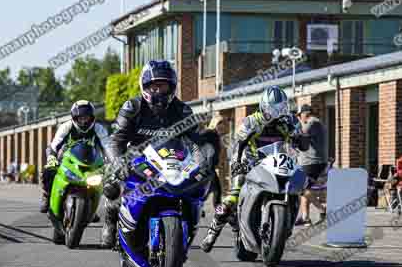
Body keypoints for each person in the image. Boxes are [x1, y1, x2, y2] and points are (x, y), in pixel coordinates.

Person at [101, 60, 219, 248]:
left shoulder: (182, 110)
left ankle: (186, 224)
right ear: (145, 86)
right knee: (113, 183)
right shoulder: (133, 107)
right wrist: (118, 162)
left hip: (171, 160)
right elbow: (115, 140)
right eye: (154, 86)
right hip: (135, 159)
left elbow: (197, 141)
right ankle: (111, 220)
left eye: (163, 86)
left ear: (171, 87)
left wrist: (206, 157)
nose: (158, 90)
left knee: (194, 189)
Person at [201, 85, 306, 252]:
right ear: (264, 106)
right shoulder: (252, 120)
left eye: (281, 108)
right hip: (250, 161)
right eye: (273, 109)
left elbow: (303, 144)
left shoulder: (290, 121)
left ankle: (287, 222)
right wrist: (236, 163)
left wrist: (300, 139)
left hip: (278, 162)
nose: (277, 113)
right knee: (234, 194)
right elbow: (238, 144)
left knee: (295, 189)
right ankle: (213, 232)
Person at [39, 100, 110, 214]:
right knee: (48, 170)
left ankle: (91, 206)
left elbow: (108, 146)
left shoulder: (98, 128)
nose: (83, 121)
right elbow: (54, 144)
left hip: (91, 162)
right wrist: (52, 157)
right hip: (66, 160)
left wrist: (113, 160)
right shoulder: (66, 126)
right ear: (74, 117)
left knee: (107, 179)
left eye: (86, 117)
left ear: (91, 117)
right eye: (80, 118)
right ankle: (46, 196)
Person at [295, 104, 329, 226]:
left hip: (312, 162)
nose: (299, 118)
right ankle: (305, 217)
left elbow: (300, 134)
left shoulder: (312, 122)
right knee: (306, 188)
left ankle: (322, 209)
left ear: (305, 113)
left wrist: (296, 125)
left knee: (299, 187)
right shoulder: (316, 122)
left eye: (299, 115)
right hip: (311, 162)